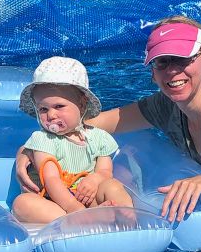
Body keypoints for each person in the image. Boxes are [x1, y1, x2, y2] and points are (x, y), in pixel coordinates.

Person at [16, 18, 201, 242]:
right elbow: (86, 123)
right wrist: (30, 149)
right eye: (162, 62)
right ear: (152, 71)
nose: (172, 71)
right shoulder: (166, 105)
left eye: (183, 59)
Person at [12, 57, 134, 224]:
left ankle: (129, 221)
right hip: (52, 203)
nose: (51, 115)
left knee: (112, 186)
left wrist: (94, 179)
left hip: (86, 197)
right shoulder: (43, 139)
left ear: (82, 105)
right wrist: (73, 208)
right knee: (22, 204)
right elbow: (51, 179)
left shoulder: (99, 137)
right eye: (43, 109)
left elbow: (105, 172)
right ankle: (83, 220)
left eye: (59, 106)